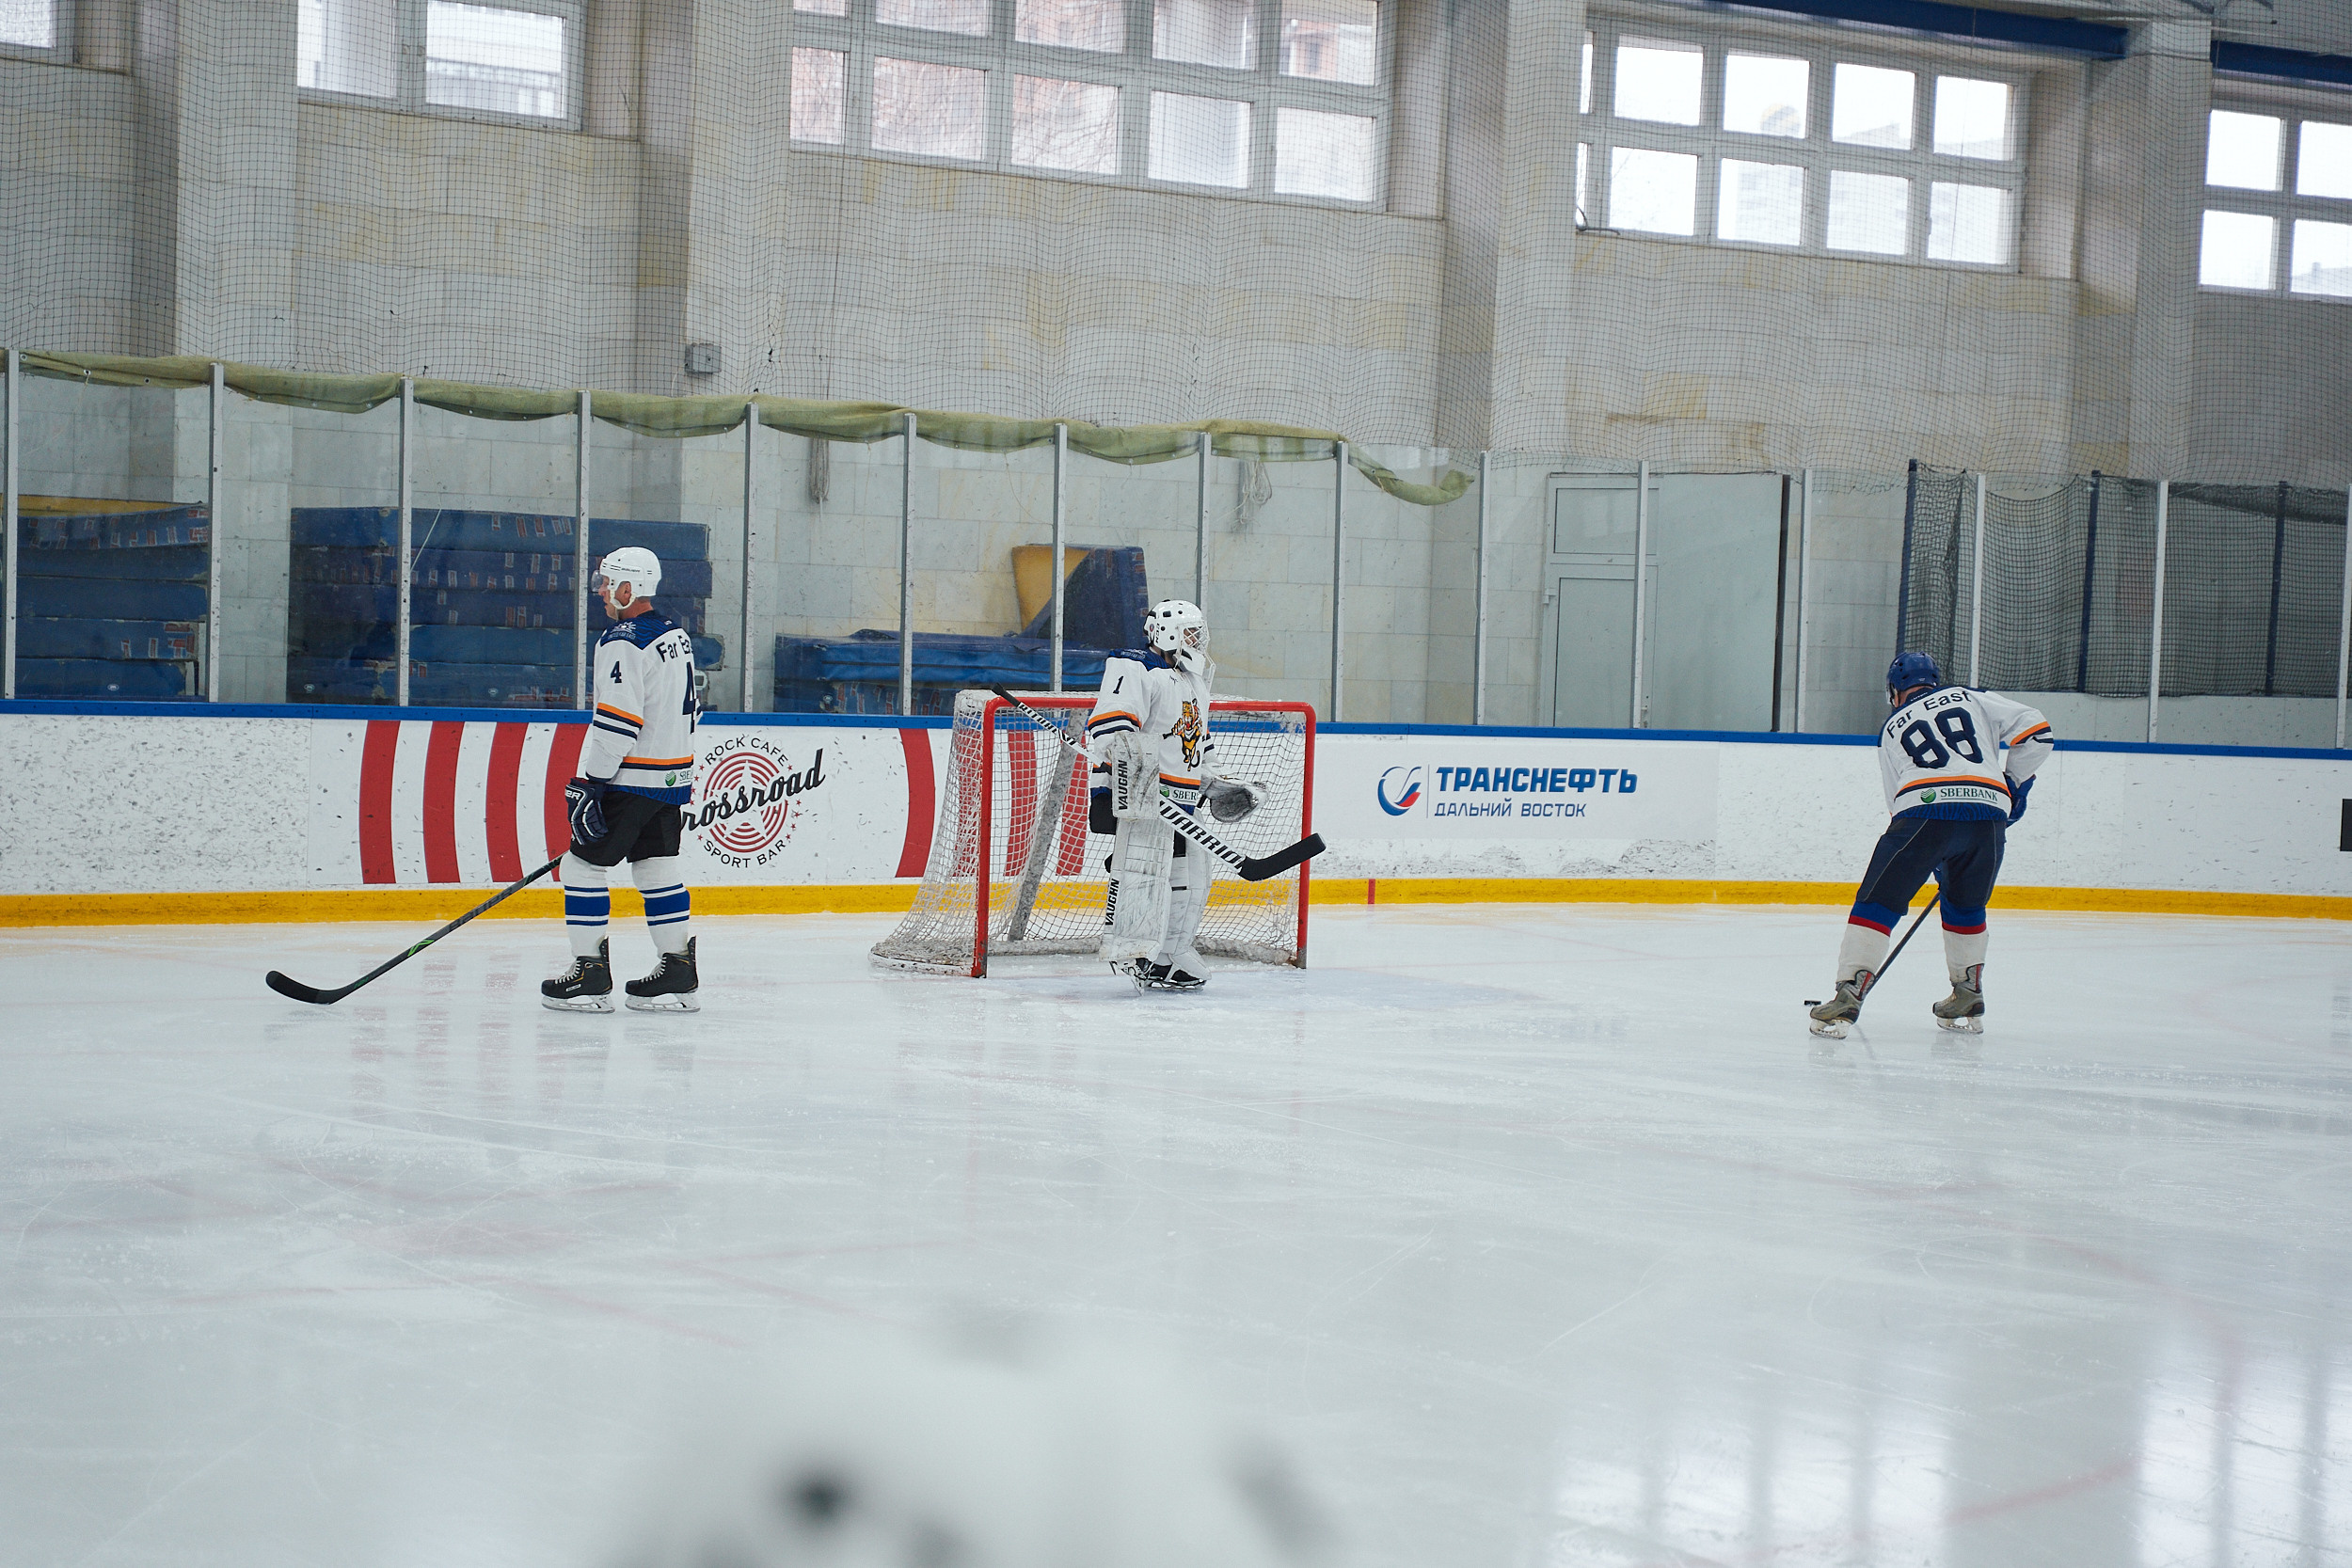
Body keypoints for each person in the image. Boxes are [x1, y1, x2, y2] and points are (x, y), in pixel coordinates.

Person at [1807, 651, 2055, 1037]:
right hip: (1988, 818)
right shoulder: (1970, 697)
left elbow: (1896, 803)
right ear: (1935, 681)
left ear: (1895, 692)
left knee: (1878, 901)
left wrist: (1929, 850)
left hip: (1923, 812)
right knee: (1965, 906)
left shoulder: (1891, 728)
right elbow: (2038, 732)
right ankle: (1967, 992)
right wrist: (2012, 784)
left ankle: (1849, 992)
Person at [543, 545, 703, 1013]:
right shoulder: (675, 634)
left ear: (627, 587)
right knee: (656, 866)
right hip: (670, 778)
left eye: (606, 583)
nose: (601, 592)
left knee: (582, 867)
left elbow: (618, 722)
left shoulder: (621, 640)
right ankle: (679, 972)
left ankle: (590, 975)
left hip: (630, 778)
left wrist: (594, 782)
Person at [1085, 600, 1257, 991]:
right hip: (1141, 798)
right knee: (1146, 874)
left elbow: (1194, 746)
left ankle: (1170, 954)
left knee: (1193, 876)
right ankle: (1139, 953)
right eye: (1191, 633)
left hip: (1179, 802)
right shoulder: (1135, 667)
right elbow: (1113, 726)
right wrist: (1129, 769)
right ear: (1168, 633)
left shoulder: (1191, 682)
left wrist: (1214, 783)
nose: (1197, 641)